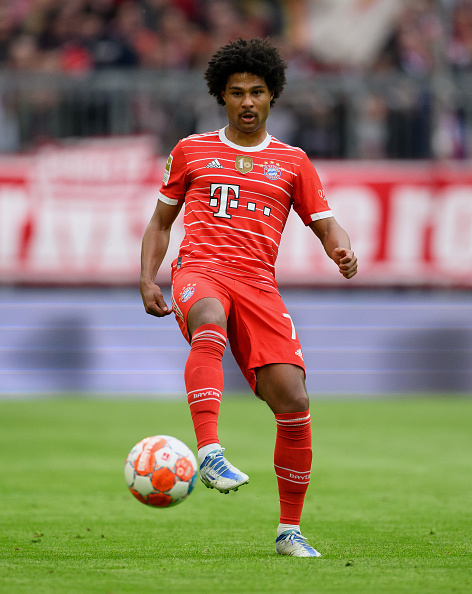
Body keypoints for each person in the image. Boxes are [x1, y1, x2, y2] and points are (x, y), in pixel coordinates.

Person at [140, 37, 357, 557]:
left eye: (256, 92)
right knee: (209, 318)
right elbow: (160, 223)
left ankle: (289, 532)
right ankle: (210, 450)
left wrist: (342, 250)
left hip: (259, 284)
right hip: (201, 270)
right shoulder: (191, 150)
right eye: (236, 92)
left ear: (272, 95)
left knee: (294, 402)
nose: (247, 102)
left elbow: (327, 224)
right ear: (222, 95)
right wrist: (148, 278)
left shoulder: (293, 162)